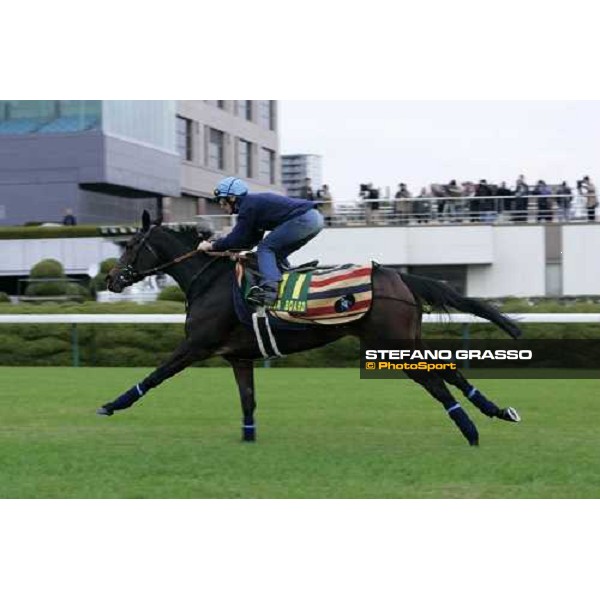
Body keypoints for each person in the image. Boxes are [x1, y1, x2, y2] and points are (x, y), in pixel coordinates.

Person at [197, 176, 324, 306]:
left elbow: (236, 238)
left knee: (265, 248)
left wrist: (211, 245)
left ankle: (269, 291)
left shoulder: (247, 207)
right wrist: (232, 250)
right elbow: (249, 240)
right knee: (274, 254)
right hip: (315, 219)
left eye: (222, 201)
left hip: (304, 219)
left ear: (232, 198)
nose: (221, 206)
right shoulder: (253, 205)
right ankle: (284, 278)